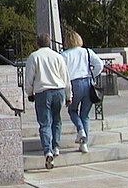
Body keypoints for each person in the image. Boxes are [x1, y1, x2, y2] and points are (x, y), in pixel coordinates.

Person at [24, 33, 71, 169]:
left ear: (37, 43)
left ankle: (47, 150)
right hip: (58, 90)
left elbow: (29, 77)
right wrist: (69, 95)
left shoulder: (34, 57)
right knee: (57, 120)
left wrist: (30, 93)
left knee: (44, 122)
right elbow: (65, 77)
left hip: (43, 91)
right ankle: (56, 146)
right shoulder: (58, 56)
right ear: (50, 43)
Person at [61, 31, 104, 154]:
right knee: (85, 115)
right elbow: (99, 64)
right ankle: (84, 144)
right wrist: (93, 74)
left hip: (74, 83)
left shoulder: (64, 55)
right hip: (88, 82)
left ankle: (80, 130)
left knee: (72, 110)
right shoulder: (87, 51)